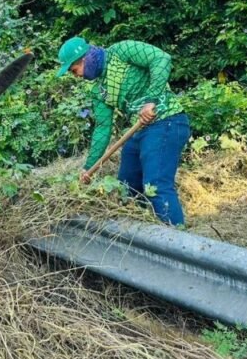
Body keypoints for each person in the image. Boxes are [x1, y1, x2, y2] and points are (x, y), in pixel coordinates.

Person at [58, 36, 190, 225]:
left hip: (167, 121)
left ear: (85, 59)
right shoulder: (97, 88)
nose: (76, 75)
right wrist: (88, 168)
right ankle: (143, 235)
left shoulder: (122, 51)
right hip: (140, 130)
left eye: (74, 70)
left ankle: (177, 237)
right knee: (126, 188)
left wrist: (151, 100)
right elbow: (103, 128)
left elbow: (161, 59)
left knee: (155, 185)